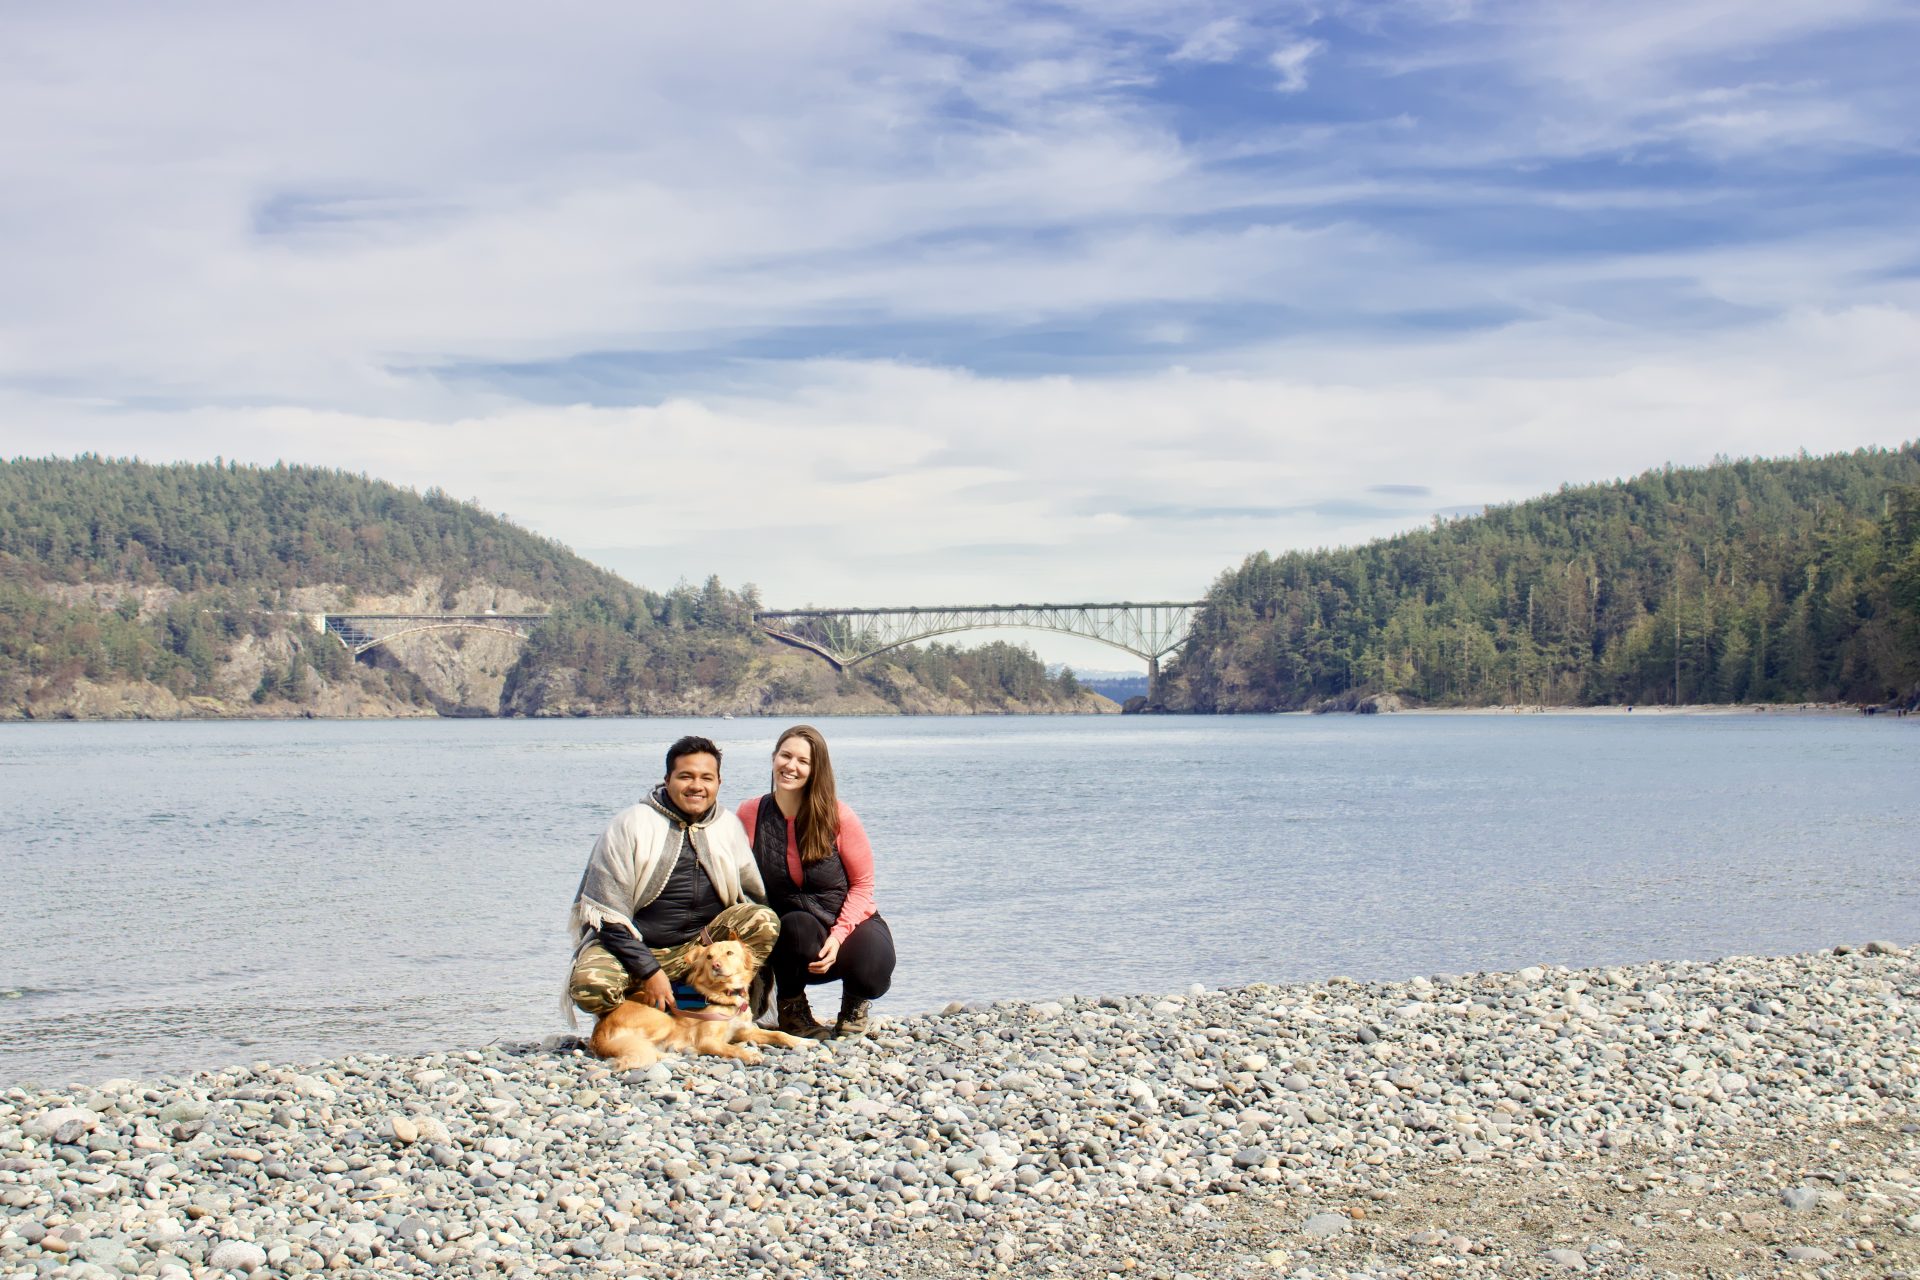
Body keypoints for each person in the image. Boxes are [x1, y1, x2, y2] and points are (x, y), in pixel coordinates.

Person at [567, 735, 779, 1022]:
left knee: (764, 921)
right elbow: (606, 916)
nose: (696, 786)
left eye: (707, 778)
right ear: (667, 779)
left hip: (702, 952)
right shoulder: (631, 825)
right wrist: (649, 970)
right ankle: (637, 1016)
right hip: (637, 949)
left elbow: (752, 896)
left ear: (718, 782)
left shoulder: (726, 826)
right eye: (685, 776)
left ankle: (730, 1010)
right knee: (590, 987)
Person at [736, 725, 895, 1039]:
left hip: (849, 926)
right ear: (773, 758)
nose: (791, 766)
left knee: (872, 967)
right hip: (797, 941)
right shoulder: (750, 812)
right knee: (794, 924)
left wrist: (837, 938)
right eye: (786, 756)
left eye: (803, 761)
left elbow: (862, 884)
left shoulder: (839, 816)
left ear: (815, 769)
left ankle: (853, 1008)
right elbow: (737, 882)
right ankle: (792, 1009)